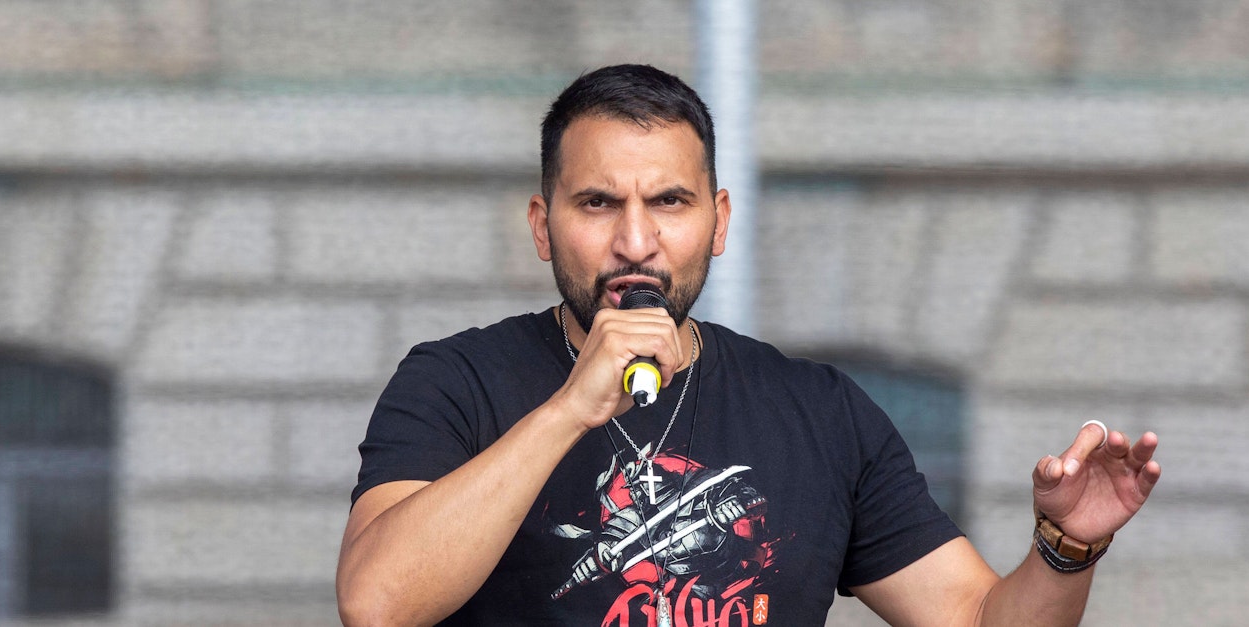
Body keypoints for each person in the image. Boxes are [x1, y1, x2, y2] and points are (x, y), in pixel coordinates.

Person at [336, 64, 1161, 627]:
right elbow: (376, 600)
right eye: (595, 203)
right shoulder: (454, 382)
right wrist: (567, 409)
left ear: (719, 222)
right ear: (541, 227)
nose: (635, 239)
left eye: (669, 201)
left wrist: (1067, 545)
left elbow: (978, 616)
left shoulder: (819, 411)